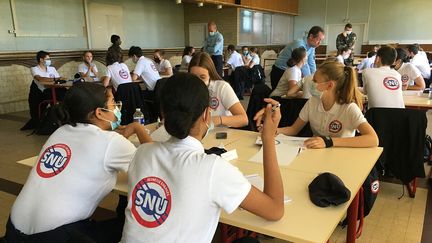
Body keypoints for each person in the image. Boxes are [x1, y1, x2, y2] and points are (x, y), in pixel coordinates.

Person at [121, 73, 284, 243]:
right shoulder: (213, 168)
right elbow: (275, 210)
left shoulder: (141, 153)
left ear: (162, 114)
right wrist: (268, 137)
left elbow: (154, 151)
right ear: (207, 115)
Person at [6, 83, 152, 243]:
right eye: (112, 103)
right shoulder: (110, 141)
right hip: (54, 237)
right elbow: (155, 165)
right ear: (99, 113)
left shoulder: (60, 131)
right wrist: (138, 128)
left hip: (13, 230)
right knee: (129, 226)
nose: (116, 107)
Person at [255, 61, 378, 149]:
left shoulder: (349, 108)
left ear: (329, 86)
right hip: (317, 154)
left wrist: (329, 142)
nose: (312, 84)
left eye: (315, 81)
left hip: (340, 157)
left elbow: (373, 139)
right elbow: (293, 129)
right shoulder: (313, 102)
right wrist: (272, 130)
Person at [189, 52, 248, 128]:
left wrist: (219, 119)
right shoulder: (187, 89)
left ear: (210, 75)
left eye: (202, 77)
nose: (197, 82)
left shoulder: (221, 87)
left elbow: (244, 119)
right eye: (193, 77)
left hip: (219, 134)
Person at [21, 50, 67, 130]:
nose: (49, 60)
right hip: (44, 92)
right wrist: (54, 79)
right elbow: (40, 79)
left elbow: (59, 80)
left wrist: (56, 79)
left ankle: (66, 117)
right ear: (41, 59)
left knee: (66, 95)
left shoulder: (52, 68)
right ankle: (57, 120)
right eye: (48, 59)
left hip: (56, 89)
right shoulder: (34, 69)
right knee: (56, 100)